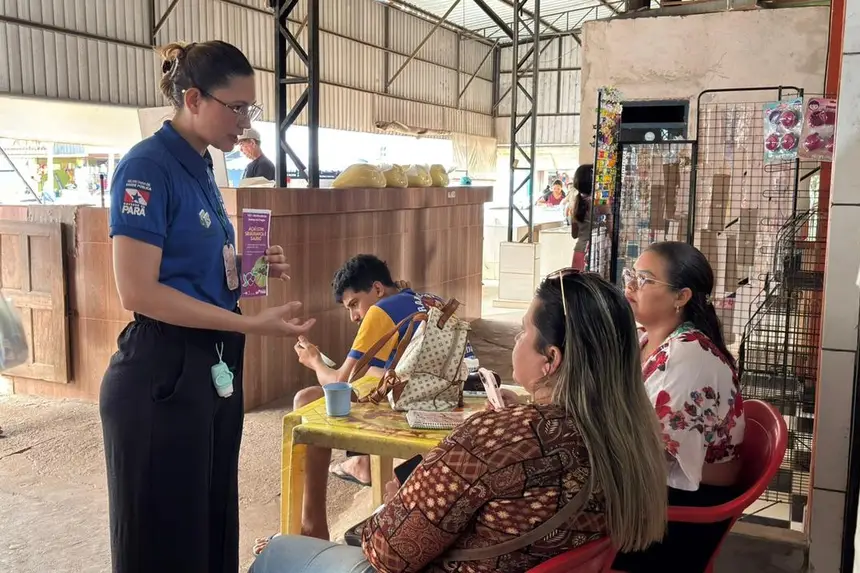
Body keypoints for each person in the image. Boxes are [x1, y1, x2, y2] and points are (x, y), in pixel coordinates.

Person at [250, 271, 669, 573]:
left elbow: (387, 551)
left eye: (523, 333)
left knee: (278, 552)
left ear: (551, 360)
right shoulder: (631, 433)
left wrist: (399, 498)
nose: (516, 342)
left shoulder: (493, 439)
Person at [99, 41, 315, 573]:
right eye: (236, 107)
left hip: (209, 365)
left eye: (251, 109)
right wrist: (249, 323)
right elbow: (139, 292)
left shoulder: (202, 166)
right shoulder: (147, 167)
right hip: (162, 372)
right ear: (193, 98)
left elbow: (192, 269)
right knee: (164, 535)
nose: (245, 122)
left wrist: (247, 268)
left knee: (210, 516)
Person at [258, 254, 478, 546]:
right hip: (464, 396)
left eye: (353, 304)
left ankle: (312, 525)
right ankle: (360, 465)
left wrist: (313, 361)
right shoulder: (428, 299)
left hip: (425, 409)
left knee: (307, 399)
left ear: (377, 288)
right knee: (368, 379)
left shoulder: (380, 310)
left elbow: (338, 383)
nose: (353, 316)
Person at [612, 241, 745, 573]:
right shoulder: (648, 340)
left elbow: (649, 452)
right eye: (631, 275)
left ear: (681, 296)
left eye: (645, 279)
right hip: (656, 491)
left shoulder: (686, 356)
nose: (629, 286)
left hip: (680, 516)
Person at [567, 164, 612, 271]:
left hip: (579, 251)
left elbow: (574, 234)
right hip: (598, 252)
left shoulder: (574, 204)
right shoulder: (602, 204)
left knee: (578, 285)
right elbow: (611, 231)